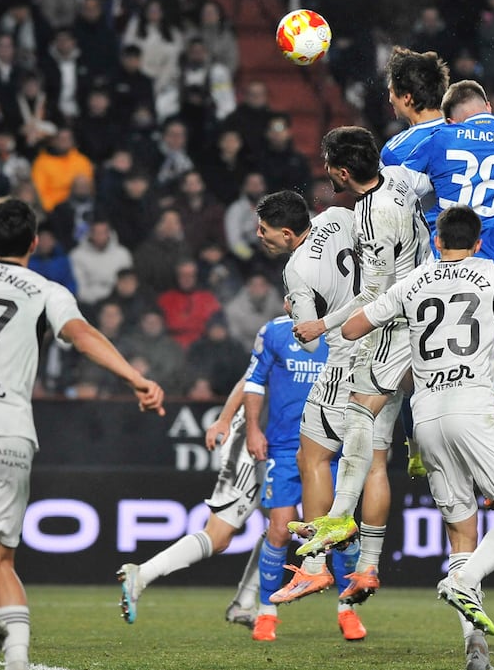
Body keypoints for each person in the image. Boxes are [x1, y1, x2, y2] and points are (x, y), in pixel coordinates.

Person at [0, 197, 164, 670]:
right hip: (16, 435)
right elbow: (82, 334)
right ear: (35, 243)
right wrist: (136, 379)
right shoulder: (45, 288)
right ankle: (18, 662)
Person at [341, 205, 494, 670]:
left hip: (426, 416)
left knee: (461, 531)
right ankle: (464, 580)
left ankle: (476, 652)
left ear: (436, 242)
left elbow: (353, 327)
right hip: (474, 407)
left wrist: (396, 318)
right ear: (476, 243)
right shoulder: (493, 273)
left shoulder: (413, 282)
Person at [285, 126, 432, 597]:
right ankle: (366, 566)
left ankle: (337, 522)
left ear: (343, 171)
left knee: (358, 415)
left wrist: (320, 325)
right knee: (377, 449)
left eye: (329, 164)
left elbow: (374, 293)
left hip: (396, 324)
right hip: (430, 309)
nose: (327, 172)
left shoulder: (370, 216)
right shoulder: (400, 181)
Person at [401, 79, 494, 425]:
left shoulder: (441, 138)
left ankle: (417, 447)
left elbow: (400, 186)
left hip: (442, 269)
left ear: (450, 119)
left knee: (422, 367)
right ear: (488, 107)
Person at [253, 191, 363, 604]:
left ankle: (316, 566)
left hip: (347, 355)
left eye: (263, 230)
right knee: (371, 453)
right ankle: (359, 560)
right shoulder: (337, 215)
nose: (259, 236)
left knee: (310, 456)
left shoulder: (295, 269)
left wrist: (306, 316)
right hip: (385, 338)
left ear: (285, 233)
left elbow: (312, 344)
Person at [240, 315, 367, 642]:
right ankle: (266, 612)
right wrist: (252, 427)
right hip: (283, 446)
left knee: (337, 532)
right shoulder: (274, 331)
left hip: (330, 445)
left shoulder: (343, 327)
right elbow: (254, 380)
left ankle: (347, 610)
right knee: (280, 528)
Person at [116, 377, 266, 629]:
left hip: (282, 443)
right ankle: (141, 575)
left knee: (283, 525)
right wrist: (225, 420)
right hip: (252, 442)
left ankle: (244, 603)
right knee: (218, 536)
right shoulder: (289, 336)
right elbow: (253, 376)